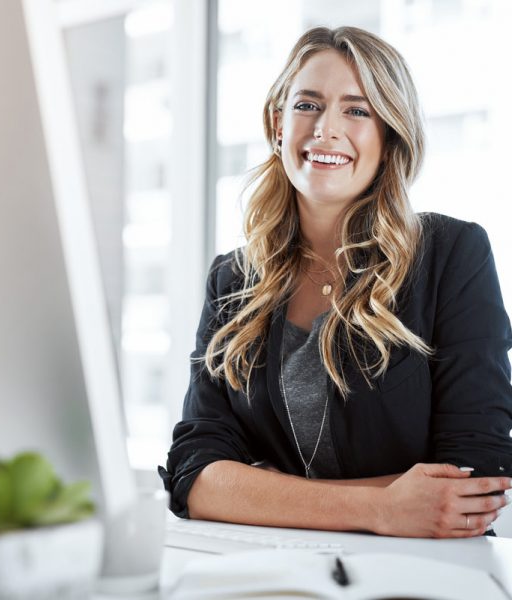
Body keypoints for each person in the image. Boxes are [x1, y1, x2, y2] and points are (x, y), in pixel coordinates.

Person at [159, 26, 512, 538]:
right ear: (278, 124)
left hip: (419, 573)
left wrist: (260, 491)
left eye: (357, 110)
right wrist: (383, 508)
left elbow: (475, 477)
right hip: (266, 571)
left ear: (389, 136)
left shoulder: (452, 255)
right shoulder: (231, 279)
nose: (326, 130)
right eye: (308, 105)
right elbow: (193, 473)